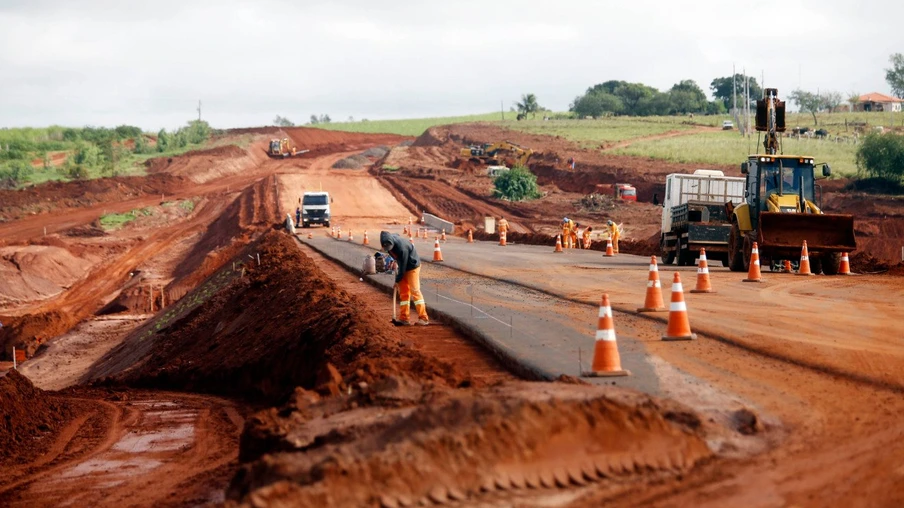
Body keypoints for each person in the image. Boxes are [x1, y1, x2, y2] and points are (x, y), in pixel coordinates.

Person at [380, 231, 429, 326]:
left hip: (412, 266)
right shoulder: (389, 240)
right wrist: (395, 260)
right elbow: (396, 235)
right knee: (403, 293)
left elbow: (403, 267)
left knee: (415, 291)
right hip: (402, 265)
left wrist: (397, 281)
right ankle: (404, 318)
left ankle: (423, 318)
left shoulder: (402, 248)